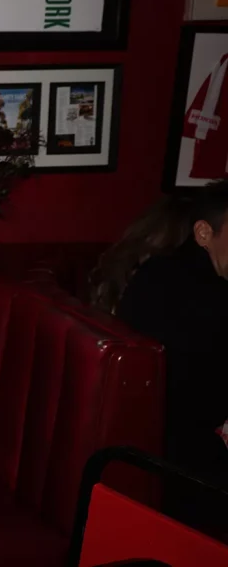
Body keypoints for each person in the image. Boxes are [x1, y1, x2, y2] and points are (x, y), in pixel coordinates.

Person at [115, 180, 228, 535]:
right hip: (180, 466)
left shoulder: (157, 272)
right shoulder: (203, 294)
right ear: (204, 232)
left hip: (154, 448)